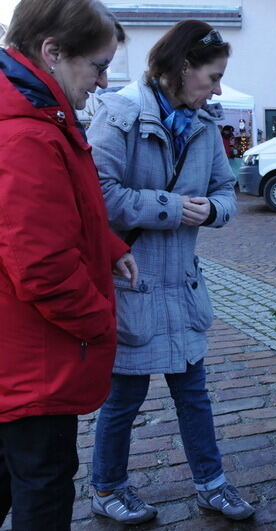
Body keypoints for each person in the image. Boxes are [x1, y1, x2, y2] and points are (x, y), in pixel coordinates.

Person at [87, 20, 253, 523]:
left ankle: (211, 483)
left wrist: (213, 211)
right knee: (124, 399)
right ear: (183, 68)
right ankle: (106, 487)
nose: (218, 88)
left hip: (182, 285)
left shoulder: (203, 125)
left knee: (194, 394)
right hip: (131, 283)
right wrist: (171, 207)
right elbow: (96, 194)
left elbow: (228, 191)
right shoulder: (118, 115)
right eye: (213, 76)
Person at [0, 1, 136, 529]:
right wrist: (99, 321)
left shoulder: (36, 116)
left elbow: (62, 211)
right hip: (34, 362)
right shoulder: (26, 132)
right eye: (98, 66)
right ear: (52, 53)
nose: (102, 82)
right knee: (43, 485)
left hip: (23, 354)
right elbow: (42, 266)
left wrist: (109, 247)